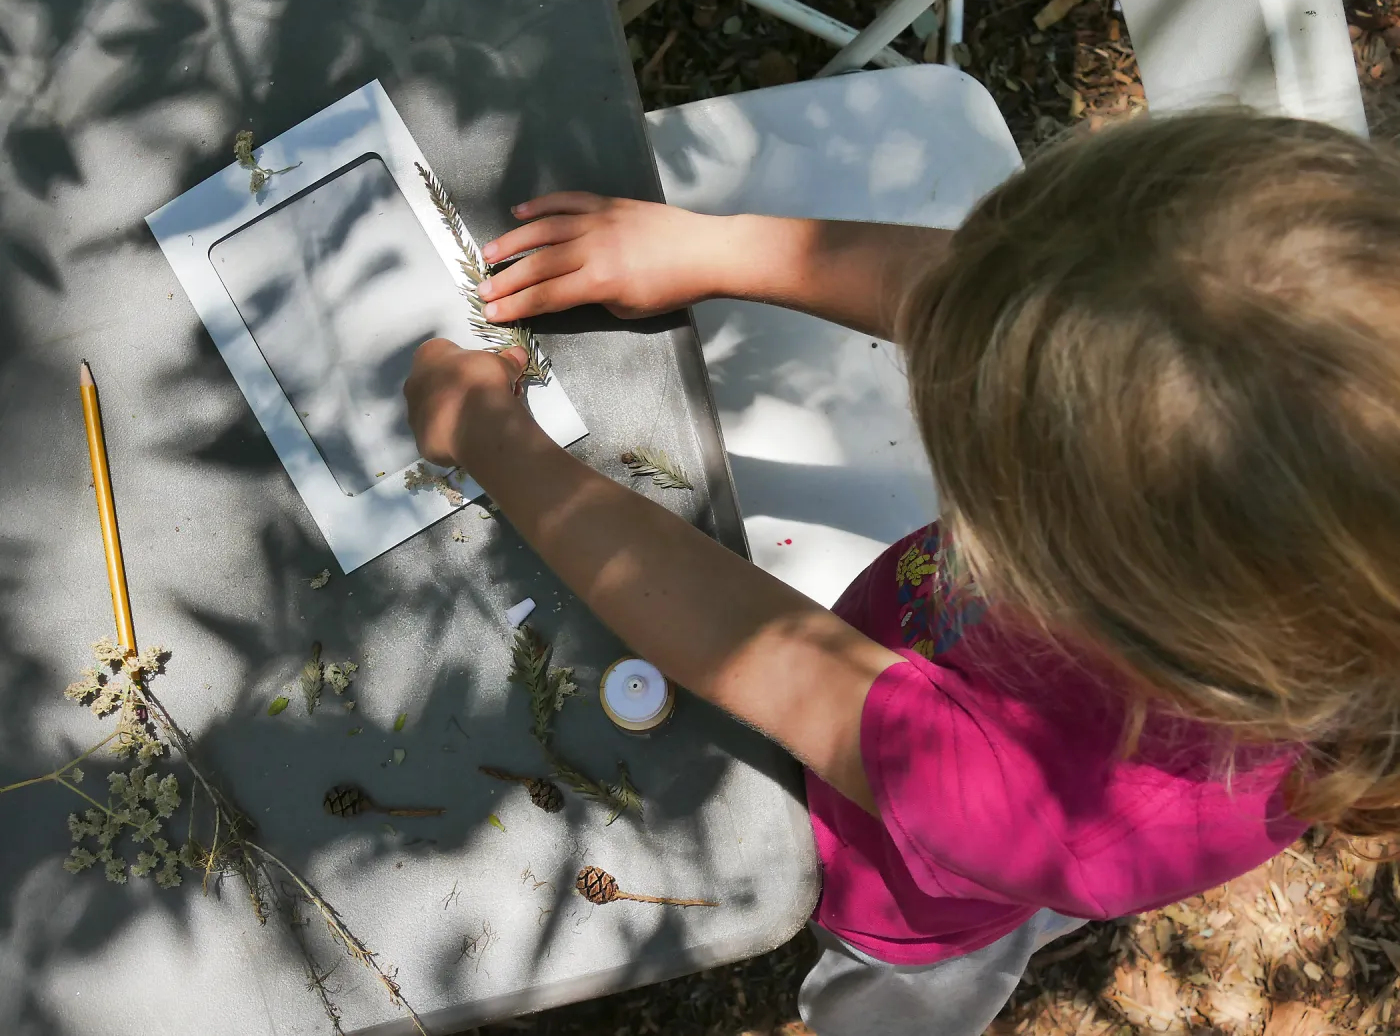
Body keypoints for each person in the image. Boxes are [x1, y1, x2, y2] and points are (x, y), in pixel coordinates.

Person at [403, 112, 1400, 1036]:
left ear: (1071, 574)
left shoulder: (1058, 809)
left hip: (892, 886)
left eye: (987, 447)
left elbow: (743, 637)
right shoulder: (1248, 477)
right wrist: (709, 248)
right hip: (931, 707)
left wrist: (500, 443)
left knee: (885, 1004)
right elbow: (995, 295)